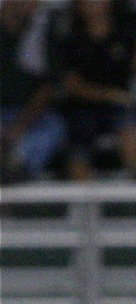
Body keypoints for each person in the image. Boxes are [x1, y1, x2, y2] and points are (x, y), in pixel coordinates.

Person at [57, 0, 136, 180]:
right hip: (82, 105)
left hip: (118, 105)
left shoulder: (123, 32)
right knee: (78, 134)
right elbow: (72, 86)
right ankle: (81, 199)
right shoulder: (71, 37)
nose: (94, 5)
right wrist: (111, 95)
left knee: (128, 119)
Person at [0, 0, 67, 182]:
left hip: (28, 114)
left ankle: (17, 169)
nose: (33, 4)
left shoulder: (43, 31)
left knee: (54, 127)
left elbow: (48, 87)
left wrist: (18, 128)